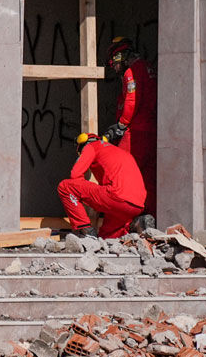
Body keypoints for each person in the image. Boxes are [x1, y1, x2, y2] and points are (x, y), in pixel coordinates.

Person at [103, 37, 157, 229]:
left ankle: (119, 225)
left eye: (114, 62)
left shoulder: (131, 72)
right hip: (152, 131)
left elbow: (131, 101)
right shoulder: (148, 68)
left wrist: (121, 125)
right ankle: (148, 218)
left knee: (119, 175)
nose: (114, 67)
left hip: (136, 131)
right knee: (148, 178)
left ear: (121, 56)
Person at [57, 133, 147, 239]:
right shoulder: (119, 151)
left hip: (116, 197)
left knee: (66, 187)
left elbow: (75, 175)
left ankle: (84, 230)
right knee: (106, 236)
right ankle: (135, 225)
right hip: (137, 206)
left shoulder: (91, 146)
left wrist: (84, 194)